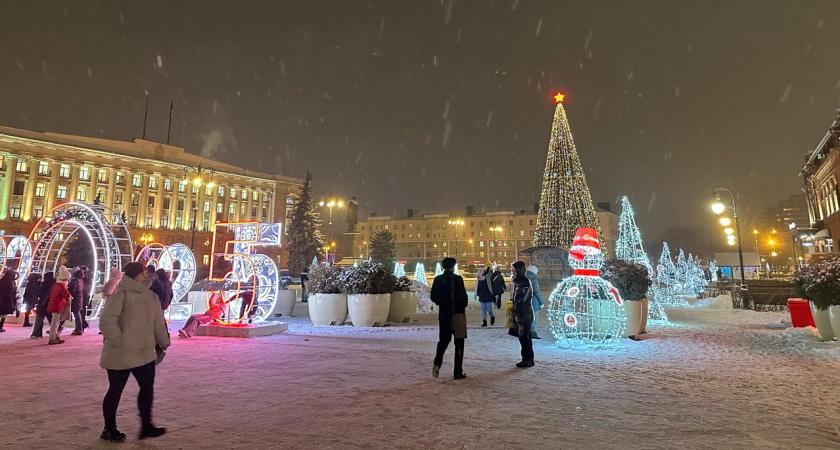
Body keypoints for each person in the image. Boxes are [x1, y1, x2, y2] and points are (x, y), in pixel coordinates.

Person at [99, 262, 170, 442]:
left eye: (146, 272)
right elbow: (107, 320)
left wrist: (163, 341)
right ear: (132, 276)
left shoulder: (151, 296)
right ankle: (109, 429)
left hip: (144, 351)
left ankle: (146, 425)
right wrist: (118, 340)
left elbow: (158, 322)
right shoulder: (120, 294)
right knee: (115, 390)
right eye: (142, 273)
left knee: (147, 388)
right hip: (121, 352)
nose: (146, 275)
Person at [430, 257, 468, 380]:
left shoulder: (437, 279)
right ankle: (457, 371)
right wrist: (461, 305)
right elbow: (464, 297)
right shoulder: (457, 279)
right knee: (459, 343)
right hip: (457, 315)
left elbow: (433, 297)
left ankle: (437, 362)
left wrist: (442, 303)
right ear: (453, 266)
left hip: (444, 315)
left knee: (443, 340)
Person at [511, 261, 535, 368]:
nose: (513, 272)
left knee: (524, 337)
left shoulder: (523, 282)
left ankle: (527, 359)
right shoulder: (521, 282)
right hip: (524, 313)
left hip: (524, 314)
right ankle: (529, 359)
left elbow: (522, 300)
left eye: (514, 270)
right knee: (526, 337)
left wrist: (517, 313)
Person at [47, 267, 72, 345]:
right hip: (57, 305)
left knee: (56, 322)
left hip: (54, 304)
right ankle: (52, 337)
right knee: (55, 322)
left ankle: (56, 336)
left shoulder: (56, 284)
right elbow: (66, 295)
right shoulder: (61, 286)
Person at [30, 272, 55, 339]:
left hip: (42, 303)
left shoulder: (44, 284)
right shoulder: (54, 284)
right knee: (52, 319)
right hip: (51, 303)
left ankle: (36, 333)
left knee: (39, 318)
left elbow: (39, 293)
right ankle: (55, 330)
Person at [525, 264, 544, 340]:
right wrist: (541, 302)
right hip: (534, 302)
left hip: (525, 302)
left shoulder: (524, 278)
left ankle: (526, 332)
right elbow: (537, 292)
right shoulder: (533, 279)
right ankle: (532, 332)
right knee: (534, 318)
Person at [69, 269, 86, 335]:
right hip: (79, 300)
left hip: (74, 300)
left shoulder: (74, 282)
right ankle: (79, 328)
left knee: (72, 313)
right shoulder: (80, 281)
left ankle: (79, 328)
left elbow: (72, 290)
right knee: (77, 314)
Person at [0, 268, 16, 332]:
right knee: (4, 314)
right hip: (6, 300)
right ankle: (0, 325)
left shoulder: (1, 280)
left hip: (1, 300)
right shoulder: (9, 282)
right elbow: (9, 292)